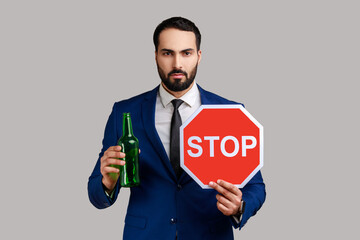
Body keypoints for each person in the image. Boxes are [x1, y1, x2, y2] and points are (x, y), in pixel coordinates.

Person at [88, 16, 266, 240]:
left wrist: (240, 206)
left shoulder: (230, 112)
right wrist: (107, 182)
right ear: (155, 56)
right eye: (167, 53)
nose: (177, 64)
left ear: (199, 56)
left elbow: (256, 186)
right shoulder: (125, 112)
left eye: (186, 53)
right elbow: (96, 195)